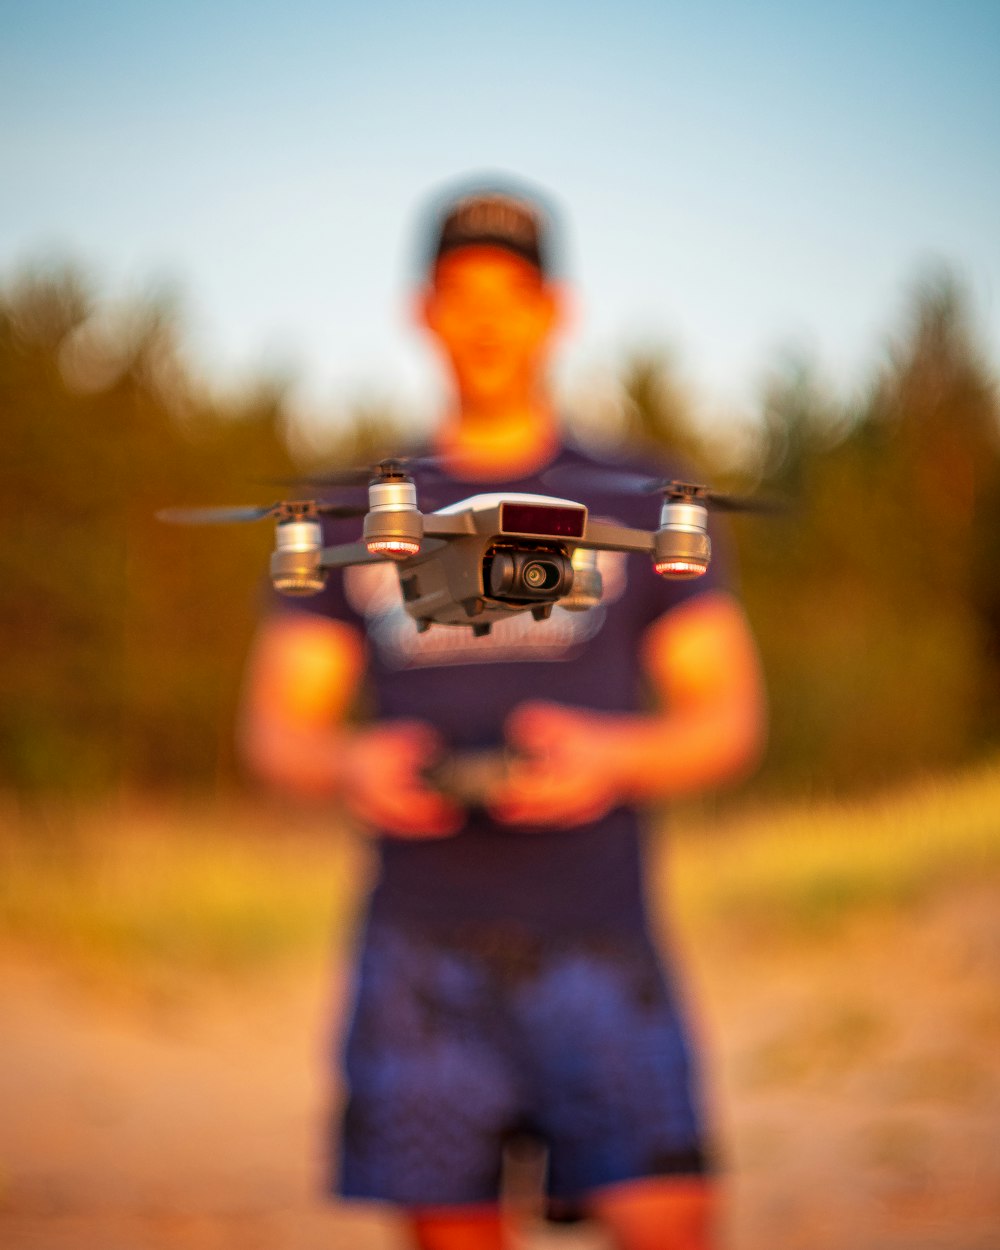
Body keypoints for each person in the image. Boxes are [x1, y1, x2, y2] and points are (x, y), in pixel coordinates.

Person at [240, 179, 766, 1250]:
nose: (484, 319)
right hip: (418, 951)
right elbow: (276, 726)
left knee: (671, 1217)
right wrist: (350, 765)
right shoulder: (347, 507)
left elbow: (725, 716)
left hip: (603, 939)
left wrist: (613, 756)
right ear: (422, 311)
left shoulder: (643, 493)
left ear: (553, 310)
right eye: (458, 292)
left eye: (509, 294)